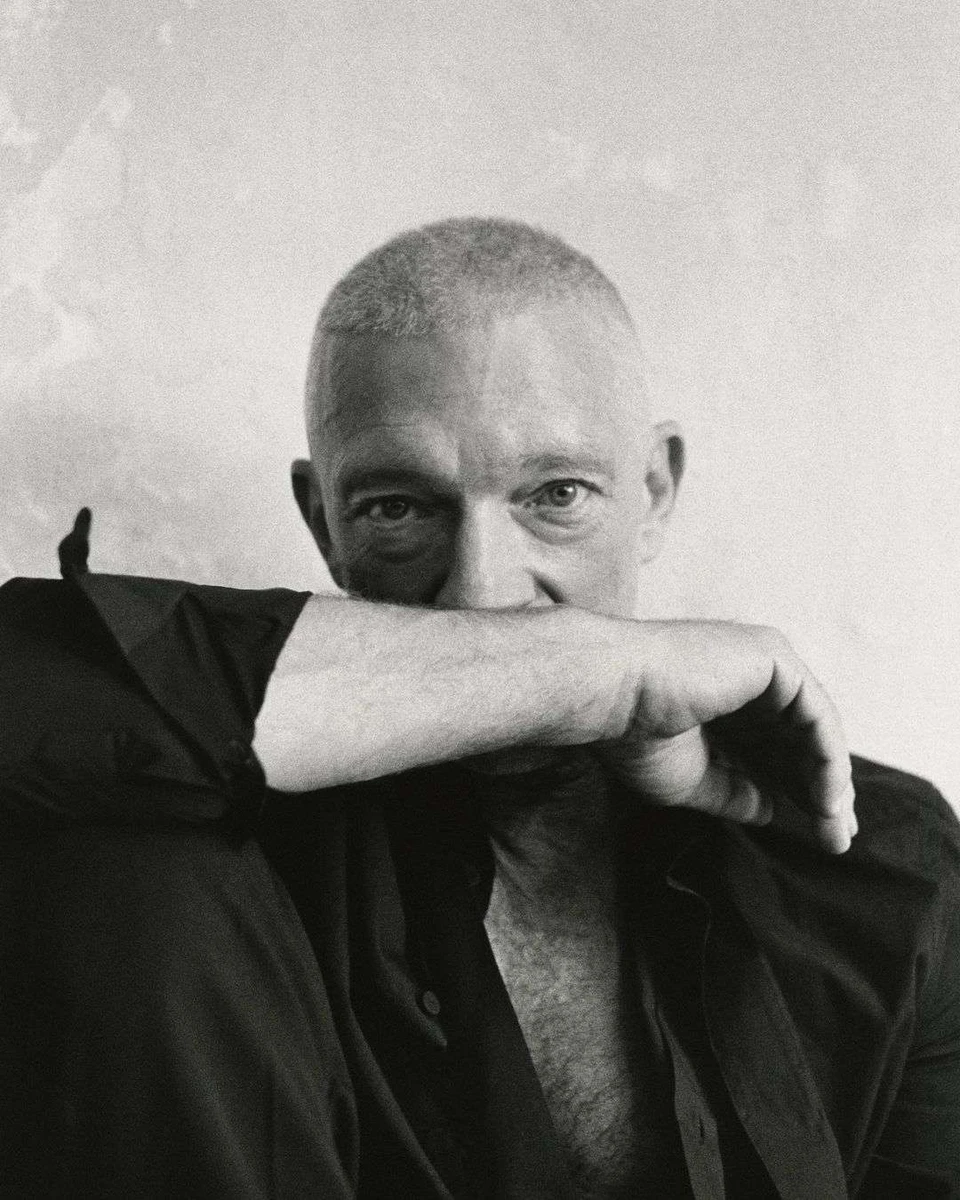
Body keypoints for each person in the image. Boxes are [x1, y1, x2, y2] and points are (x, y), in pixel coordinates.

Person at [0, 218, 956, 1199]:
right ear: (322, 521)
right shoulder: (205, 879)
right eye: (399, 508)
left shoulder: (884, 872)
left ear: (656, 488)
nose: (482, 590)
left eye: (557, 494)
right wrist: (595, 674)